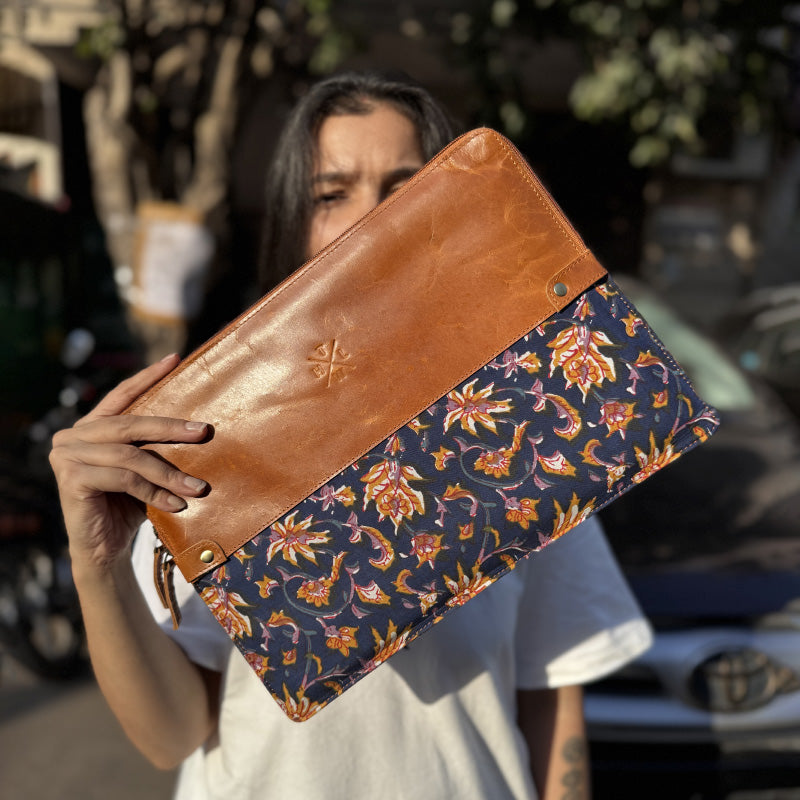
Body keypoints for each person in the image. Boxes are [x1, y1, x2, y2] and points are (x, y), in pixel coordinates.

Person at [49, 70, 652, 800]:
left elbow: (554, 706)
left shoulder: (529, 427)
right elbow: (171, 736)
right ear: (291, 223)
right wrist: (97, 564)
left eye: (405, 188)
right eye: (331, 194)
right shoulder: (205, 441)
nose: (375, 219)